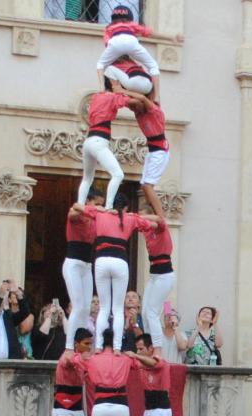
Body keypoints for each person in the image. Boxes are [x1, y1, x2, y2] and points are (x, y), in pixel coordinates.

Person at [85, 198, 150, 346]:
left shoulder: (100, 214)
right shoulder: (130, 217)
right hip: (120, 260)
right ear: (125, 207)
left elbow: (81, 208)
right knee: (118, 308)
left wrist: (101, 209)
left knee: (104, 307)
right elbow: (149, 223)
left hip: (101, 259)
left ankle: (100, 345)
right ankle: (116, 347)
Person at [78, 81, 134, 213]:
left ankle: (80, 204)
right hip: (99, 141)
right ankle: (108, 206)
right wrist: (126, 92)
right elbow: (130, 102)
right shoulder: (112, 97)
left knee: (87, 178)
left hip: (89, 141)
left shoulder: (97, 97)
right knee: (118, 174)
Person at [97, 6, 161, 97]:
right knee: (153, 66)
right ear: (130, 18)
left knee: (101, 65)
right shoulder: (131, 24)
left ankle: (102, 89)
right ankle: (156, 96)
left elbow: (107, 43)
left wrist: (113, 52)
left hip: (115, 42)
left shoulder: (109, 27)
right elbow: (149, 33)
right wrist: (171, 38)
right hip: (147, 85)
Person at [64, 203, 98, 338]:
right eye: (97, 203)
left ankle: (82, 342)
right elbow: (72, 213)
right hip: (73, 263)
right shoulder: (77, 213)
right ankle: (70, 345)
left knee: (85, 308)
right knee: (77, 306)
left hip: (87, 265)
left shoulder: (95, 218)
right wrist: (88, 210)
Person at [141, 212, 175, 343]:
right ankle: (149, 343)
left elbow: (158, 221)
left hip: (164, 274)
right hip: (154, 274)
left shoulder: (160, 229)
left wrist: (139, 217)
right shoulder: (147, 231)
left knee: (151, 313)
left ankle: (156, 347)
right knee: (145, 313)